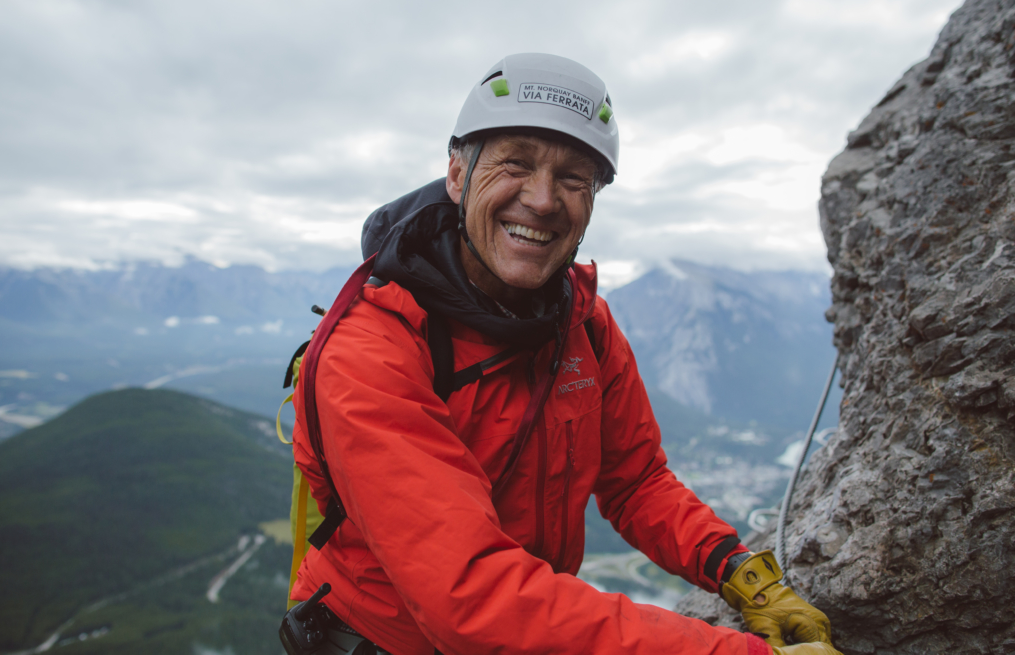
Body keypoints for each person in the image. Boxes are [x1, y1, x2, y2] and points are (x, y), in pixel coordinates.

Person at [289, 53, 840, 655]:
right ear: (457, 175)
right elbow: (469, 594)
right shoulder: (372, 349)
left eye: (575, 177)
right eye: (515, 163)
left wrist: (741, 575)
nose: (544, 199)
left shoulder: (583, 324)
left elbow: (636, 481)